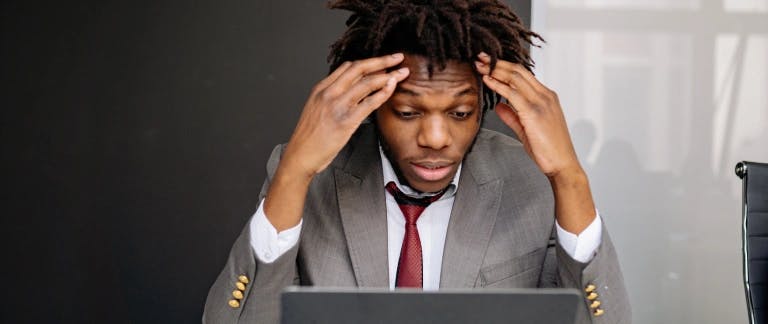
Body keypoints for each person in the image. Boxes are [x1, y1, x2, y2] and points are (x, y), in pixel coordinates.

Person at [203, 1, 630, 323]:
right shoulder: (309, 175)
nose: (436, 139)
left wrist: (569, 177)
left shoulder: (531, 178)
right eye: (408, 113)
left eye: (460, 113)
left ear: (483, 105)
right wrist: (294, 172)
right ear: (375, 104)